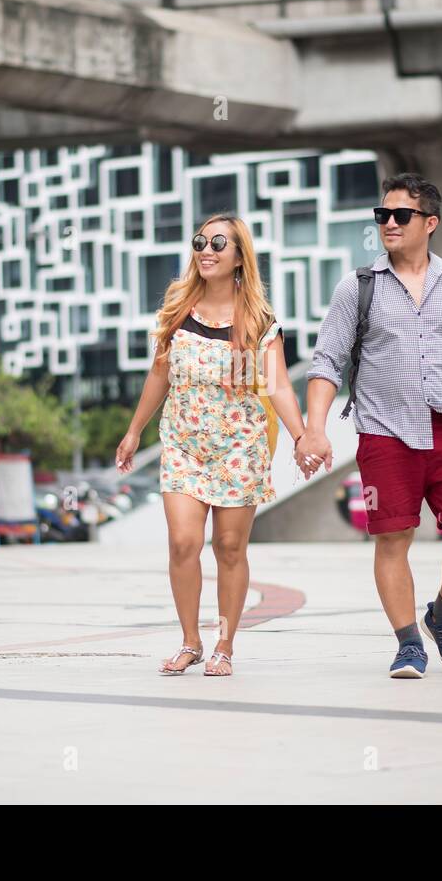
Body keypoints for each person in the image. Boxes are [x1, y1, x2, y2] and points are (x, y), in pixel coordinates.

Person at [297, 172, 442, 679]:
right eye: (382, 215)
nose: (388, 223)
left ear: (429, 223)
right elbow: (327, 361)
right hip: (385, 431)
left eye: (400, 215)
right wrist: (315, 428)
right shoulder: (359, 286)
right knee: (394, 538)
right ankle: (408, 642)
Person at [116, 213, 313, 677]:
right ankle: (190, 641)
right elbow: (160, 374)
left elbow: (279, 386)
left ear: (239, 256)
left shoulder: (260, 322)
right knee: (184, 543)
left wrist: (302, 436)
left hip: (239, 448)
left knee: (228, 548)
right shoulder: (178, 312)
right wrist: (133, 430)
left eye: (218, 243)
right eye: (200, 241)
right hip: (183, 443)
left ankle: (225, 643)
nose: (206, 250)